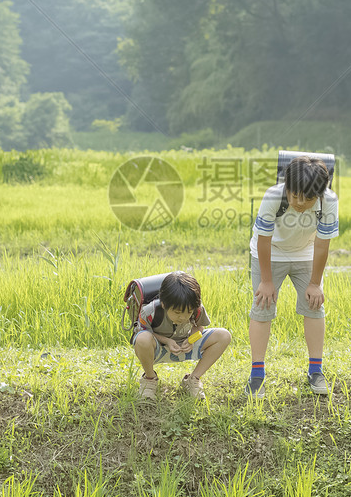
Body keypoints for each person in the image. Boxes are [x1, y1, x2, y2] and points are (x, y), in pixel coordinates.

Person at [247, 156, 338, 398]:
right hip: (269, 252)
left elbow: (322, 245)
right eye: (295, 195)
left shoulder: (329, 201)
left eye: (308, 198)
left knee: (314, 306)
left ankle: (315, 371)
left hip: (306, 252)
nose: (299, 202)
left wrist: (315, 284)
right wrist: (266, 282)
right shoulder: (273, 196)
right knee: (262, 305)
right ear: (287, 187)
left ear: (319, 194)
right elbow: (264, 240)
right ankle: (257, 375)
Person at [131, 270, 231, 401]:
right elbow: (141, 332)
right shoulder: (150, 310)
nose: (183, 317)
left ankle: (193, 379)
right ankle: (149, 379)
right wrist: (166, 341)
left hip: (185, 345)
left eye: (188, 312)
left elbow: (199, 326)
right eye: (177, 312)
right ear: (164, 304)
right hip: (158, 349)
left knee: (224, 335)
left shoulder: (196, 307)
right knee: (142, 338)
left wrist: (191, 340)